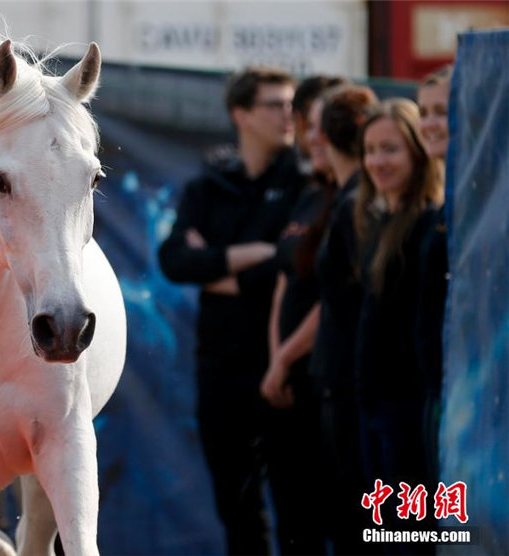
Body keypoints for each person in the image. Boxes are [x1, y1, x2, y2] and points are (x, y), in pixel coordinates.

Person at [158, 67, 303, 555]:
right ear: (242, 115)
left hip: (284, 368)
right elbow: (175, 261)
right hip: (220, 369)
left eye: (292, 104)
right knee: (236, 507)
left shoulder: (304, 182)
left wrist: (216, 263)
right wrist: (256, 253)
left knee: (296, 506)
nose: (289, 115)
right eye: (275, 105)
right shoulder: (210, 185)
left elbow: (291, 268)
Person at [259, 76, 345, 555]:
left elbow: (330, 296)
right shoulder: (310, 194)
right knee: (293, 519)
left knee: (339, 517)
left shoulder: (347, 201)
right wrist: (276, 359)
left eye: (323, 127)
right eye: (308, 126)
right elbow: (283, 281)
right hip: (287, 378)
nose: (313, 137)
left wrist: (286, 358)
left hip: (320, 378)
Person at [354, 99, 444, 552]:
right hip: (376, 410)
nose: (376, 161)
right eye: (370, 150)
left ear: (416, 152)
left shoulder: (431, 224)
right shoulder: (382, 221)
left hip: (408, 413)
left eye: (389, 149)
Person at [307, 84, 378, 555]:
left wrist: (283, 357)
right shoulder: (341, 199)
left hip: (356, 384)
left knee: (357, 520)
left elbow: (338, 299)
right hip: (340, 379)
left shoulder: (357, 204)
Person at [415, 65, 453, 483]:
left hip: (461, 392)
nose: (428, 124)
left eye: (441, 111)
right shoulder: (450, 197)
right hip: (433, 387)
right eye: (423, 112)